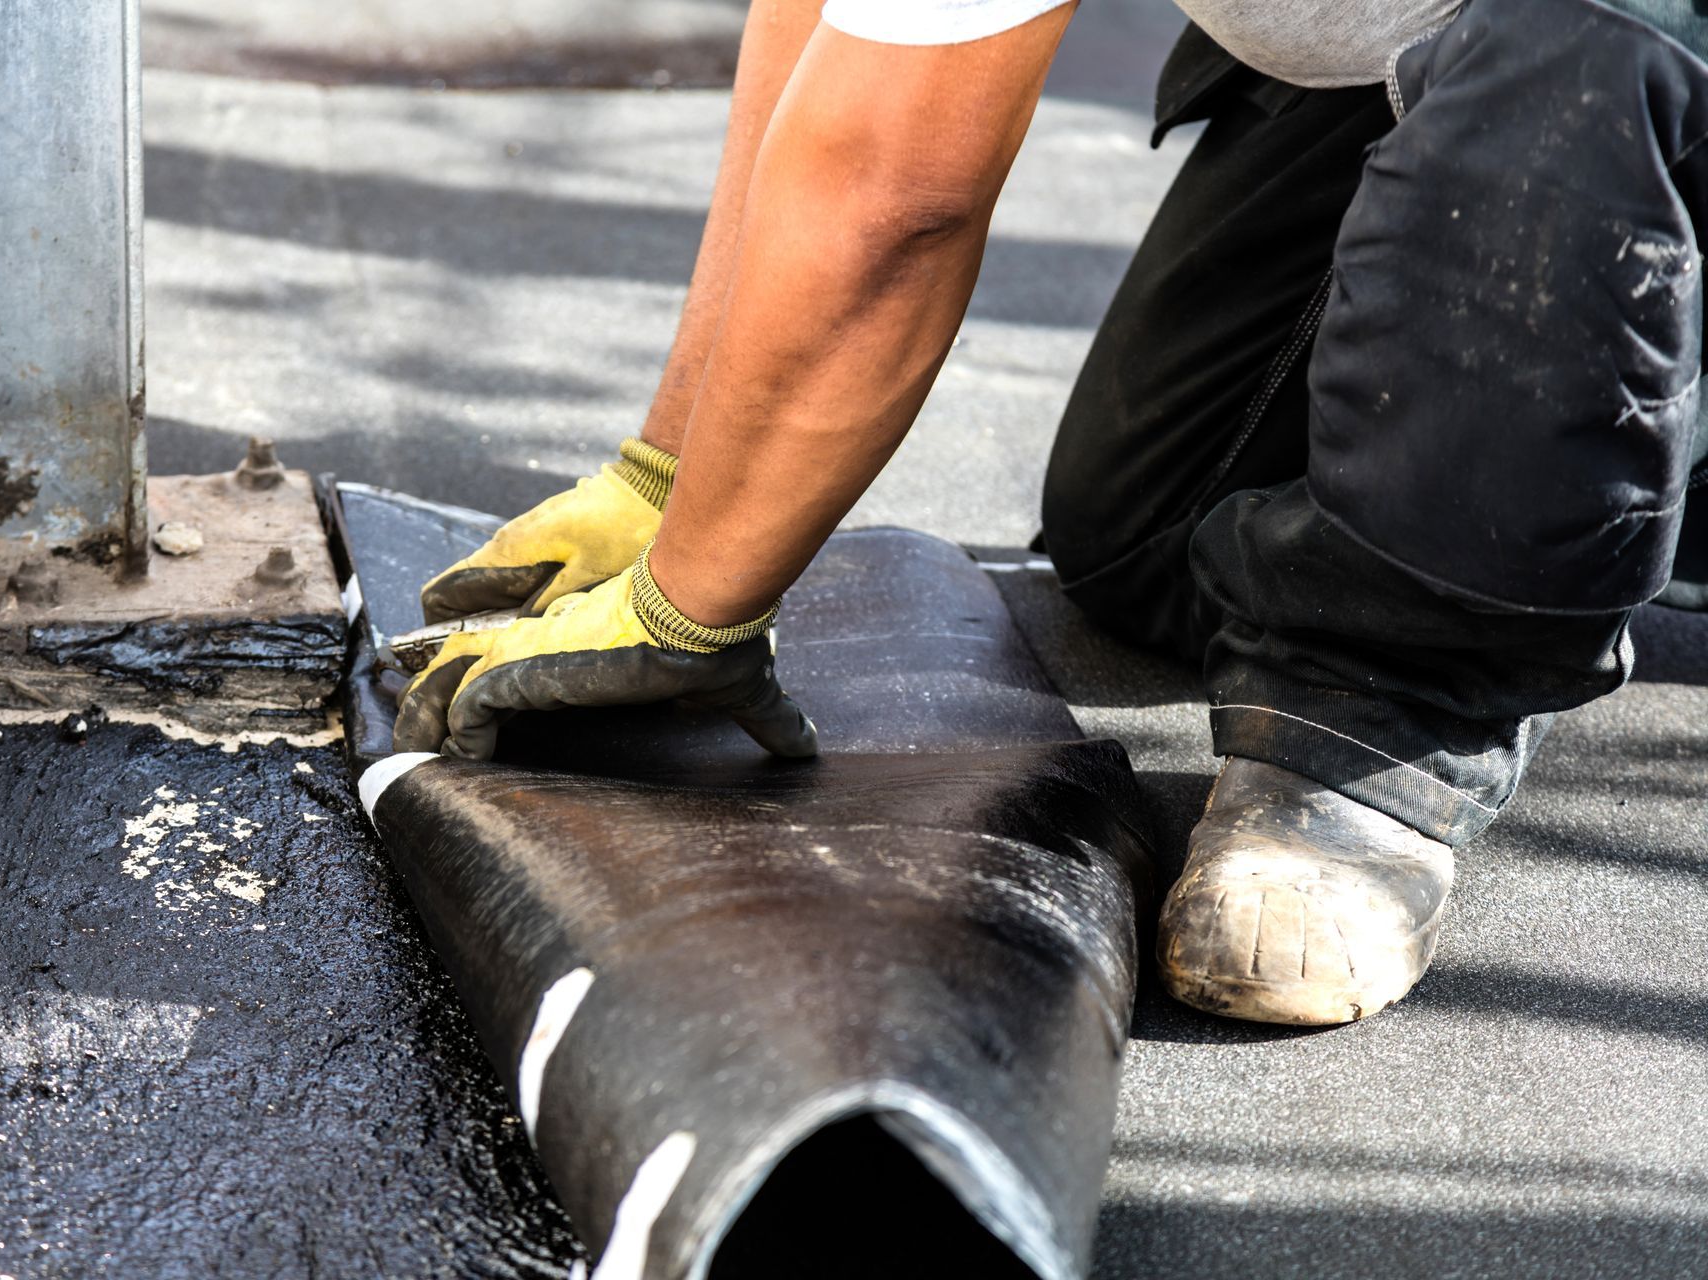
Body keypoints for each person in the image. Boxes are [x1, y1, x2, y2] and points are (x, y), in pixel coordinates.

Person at [392, 0, 1708, 1027]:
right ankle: (1626, 433)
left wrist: (694, 611)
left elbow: (903, 196)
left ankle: (1369, 741)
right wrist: (672, 480)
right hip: (1460, 69)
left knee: (1589, 50)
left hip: (1599, 64)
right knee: (1163, 532)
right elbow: (841, 67)